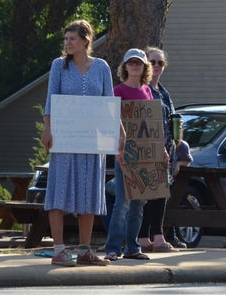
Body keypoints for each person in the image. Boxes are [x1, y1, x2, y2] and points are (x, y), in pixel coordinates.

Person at [40, 20, 112, 267]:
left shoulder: (102, 67)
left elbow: (109, 104)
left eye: (72, 39)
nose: (67, 43)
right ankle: (59, 249)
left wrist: (119, 134)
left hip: (92, 142)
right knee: (59, 191)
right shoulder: (59, 66)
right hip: (65, 138)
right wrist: (47, 129)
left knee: (88, 193)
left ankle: (84, 250)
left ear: (85, 41)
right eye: (66, 39)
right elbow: (51, 99)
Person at [103, 48, 152, 262]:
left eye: (138, 63)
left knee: (139, 203)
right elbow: (110, 123)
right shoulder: (117, 91)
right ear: (124, 67)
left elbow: (153, 127)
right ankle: (113, 247)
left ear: (144, 67)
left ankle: (133, 246)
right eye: (130, 63)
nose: (134, 66)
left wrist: (163, 152)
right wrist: (118, 150)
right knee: (122, 201)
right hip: (123, 153)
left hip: (145, 155)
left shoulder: (148, 91)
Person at [144, 46, 177, 252]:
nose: (156, 66)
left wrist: (180, 154)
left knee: (160, 194)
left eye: (160, 63)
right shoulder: (144, 90)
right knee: (146, 196)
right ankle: (148, 237)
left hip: (167, 152)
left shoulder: (164, 93)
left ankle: (155, 237)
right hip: (147, 150)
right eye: (152, 62)